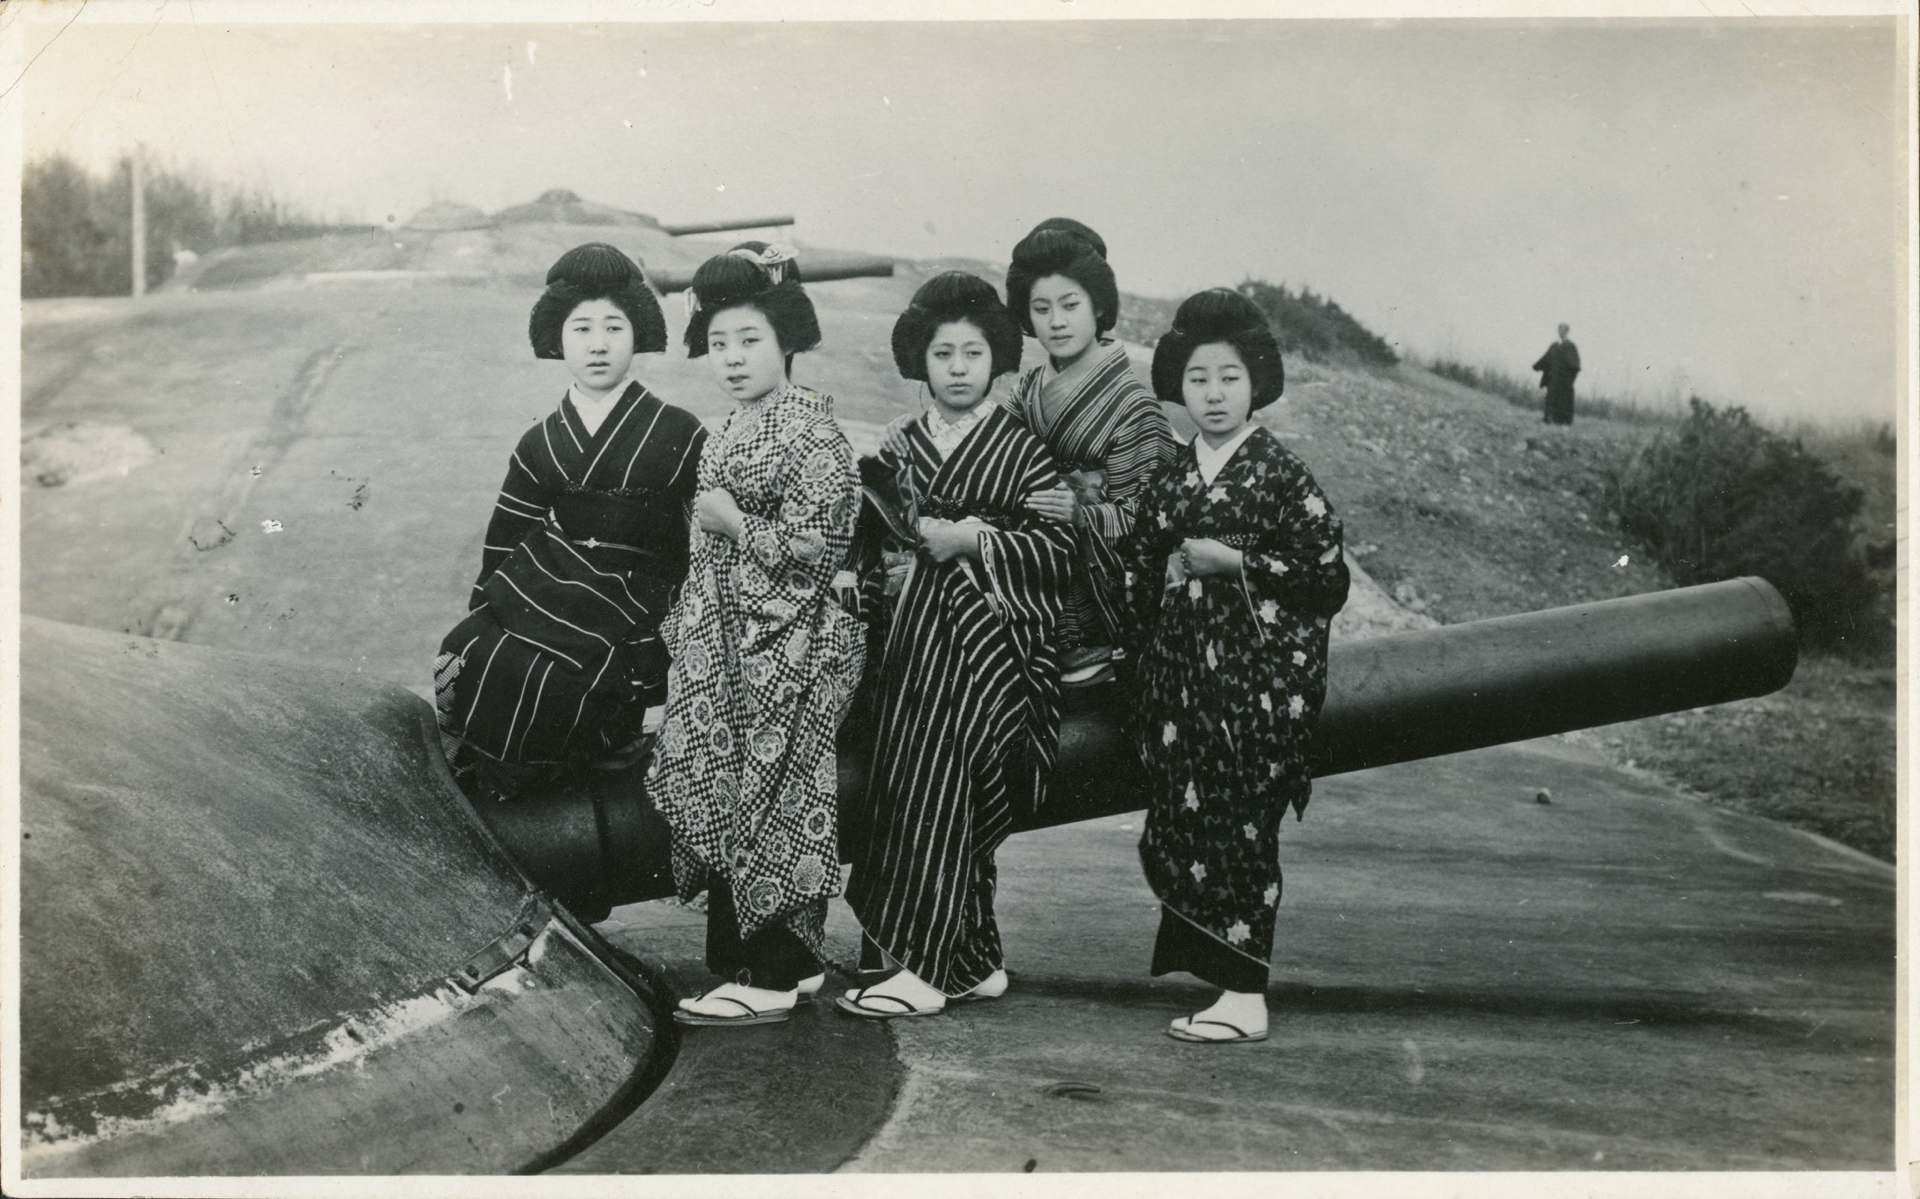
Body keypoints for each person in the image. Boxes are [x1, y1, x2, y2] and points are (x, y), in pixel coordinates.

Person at [836, 272, 1073, 1019]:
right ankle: (972, 958)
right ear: (921, 360)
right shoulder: (899, 446)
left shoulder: (1023, 451)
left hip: (988, 649)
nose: (960, 368)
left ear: (996, 357)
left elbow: (1059, 551)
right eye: (944, 354)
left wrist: (973, 541)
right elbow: (867, 547)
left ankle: (927, 967)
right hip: (904, 648)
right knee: (908, 778)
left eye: (974, 352)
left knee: (934, 776)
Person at [1123, 288, 1349, 1044]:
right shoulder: (1173, 476)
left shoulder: (1282, 476)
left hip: (1256, 692)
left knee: (1243, 832)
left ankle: (1246, 994)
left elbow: (1326, 578)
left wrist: (1235, 562)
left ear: (1256, 382)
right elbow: (1138, 568)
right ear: (1179, 387)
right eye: (1197, 379)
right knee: (1186, 825)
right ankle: (1222, 983)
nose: (1213, 394)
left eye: (1228, 377)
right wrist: (1160, 583)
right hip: (1182, 687)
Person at [648, 243, 865, 1028]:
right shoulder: (732, 427)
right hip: (731, 648)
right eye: (718, 344)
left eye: (749, 340)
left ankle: (766, 974)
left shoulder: (814, 433)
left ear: (787, 342)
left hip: (788, 645)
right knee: (738, 792)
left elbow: (819, 547)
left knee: (774, 799)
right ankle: (790, 964)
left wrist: (736, 523)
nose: (733, 358)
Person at [434, 243, 706, 799]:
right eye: (581, 329)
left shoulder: (679, 431)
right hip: (556, 586)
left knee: (557, 679)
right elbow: (507, 536)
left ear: (639, 334)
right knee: (465, 648)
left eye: (614, 328)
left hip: (639, 598)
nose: (598, 344)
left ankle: (531, 785)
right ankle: (484, 780)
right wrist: (488, 606)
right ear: (557, 339)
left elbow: (695, 540)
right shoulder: (541, 440)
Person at [1533, 323, 1581, 425]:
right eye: (1559, 330)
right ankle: (1547, 420)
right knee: (1550, 399)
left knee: (1564, 401)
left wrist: (1569, 379)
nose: (1561, 332)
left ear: (1567, 332)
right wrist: (1536, 366)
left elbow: (1575, 365)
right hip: (1553, 379)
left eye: (1563, 330)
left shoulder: (1570, 346)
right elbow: (1546, 358)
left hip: (1564, 381)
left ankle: (1564, 423)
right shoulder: (1554, 346)